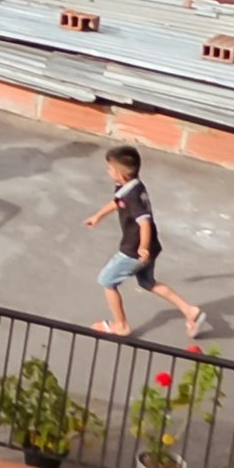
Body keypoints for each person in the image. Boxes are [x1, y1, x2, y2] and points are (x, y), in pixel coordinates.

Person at [89, 142, 205, 342]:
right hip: (150, 247)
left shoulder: (132, 195)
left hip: (134, 250)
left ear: (120, 173)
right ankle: (190, 310)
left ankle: (121, 325)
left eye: (109, 169)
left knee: (107, 281)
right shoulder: (130, 185)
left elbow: (145, 223)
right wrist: (98, 216)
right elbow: (117, 202)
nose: (108, 171)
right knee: (147, 282)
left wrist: (142, 247)